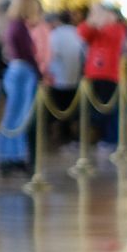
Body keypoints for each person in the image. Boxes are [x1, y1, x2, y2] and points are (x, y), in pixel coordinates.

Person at [0, 0, 44, 174]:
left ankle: (13, 155)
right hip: (23, 72)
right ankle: (8, 156)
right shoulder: (19, 27)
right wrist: (39, 73)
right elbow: (28, 54)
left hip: (16, 70)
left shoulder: (13, 25)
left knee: (16, 116)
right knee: (17, 117)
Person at [78, 4, 127, 149]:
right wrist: (92, 20)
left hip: (108, 75)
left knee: (109, 108)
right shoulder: (96, 29)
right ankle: (97, 136)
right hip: (93, 74)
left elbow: (111, 37)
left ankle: (111, 138)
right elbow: (82, 32)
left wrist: (101, 21)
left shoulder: (118, 28)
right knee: (94, 109)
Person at [44, 10, 87, 148]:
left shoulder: (55, 34)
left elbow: (52, 54)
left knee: (58, 108)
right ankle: (69, 135)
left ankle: (60, 135)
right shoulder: (77, 32)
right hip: (73, 75)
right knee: (70, 107)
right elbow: (84, 53)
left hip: (58, 77)